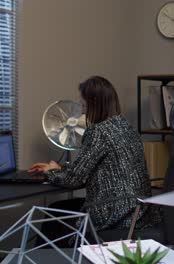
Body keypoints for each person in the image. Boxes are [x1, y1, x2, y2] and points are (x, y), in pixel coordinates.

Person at [29, 76, 161, 246]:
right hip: (139, 211)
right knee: (60, 209)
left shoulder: (98, 131)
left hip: (117, 213)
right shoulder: (125, 126)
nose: (82, 112)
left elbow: (73, 179)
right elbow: (105, 167)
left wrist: (51, 171)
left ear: (94, 103)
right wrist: (60, 168)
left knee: (55, 214)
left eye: (83, 106)